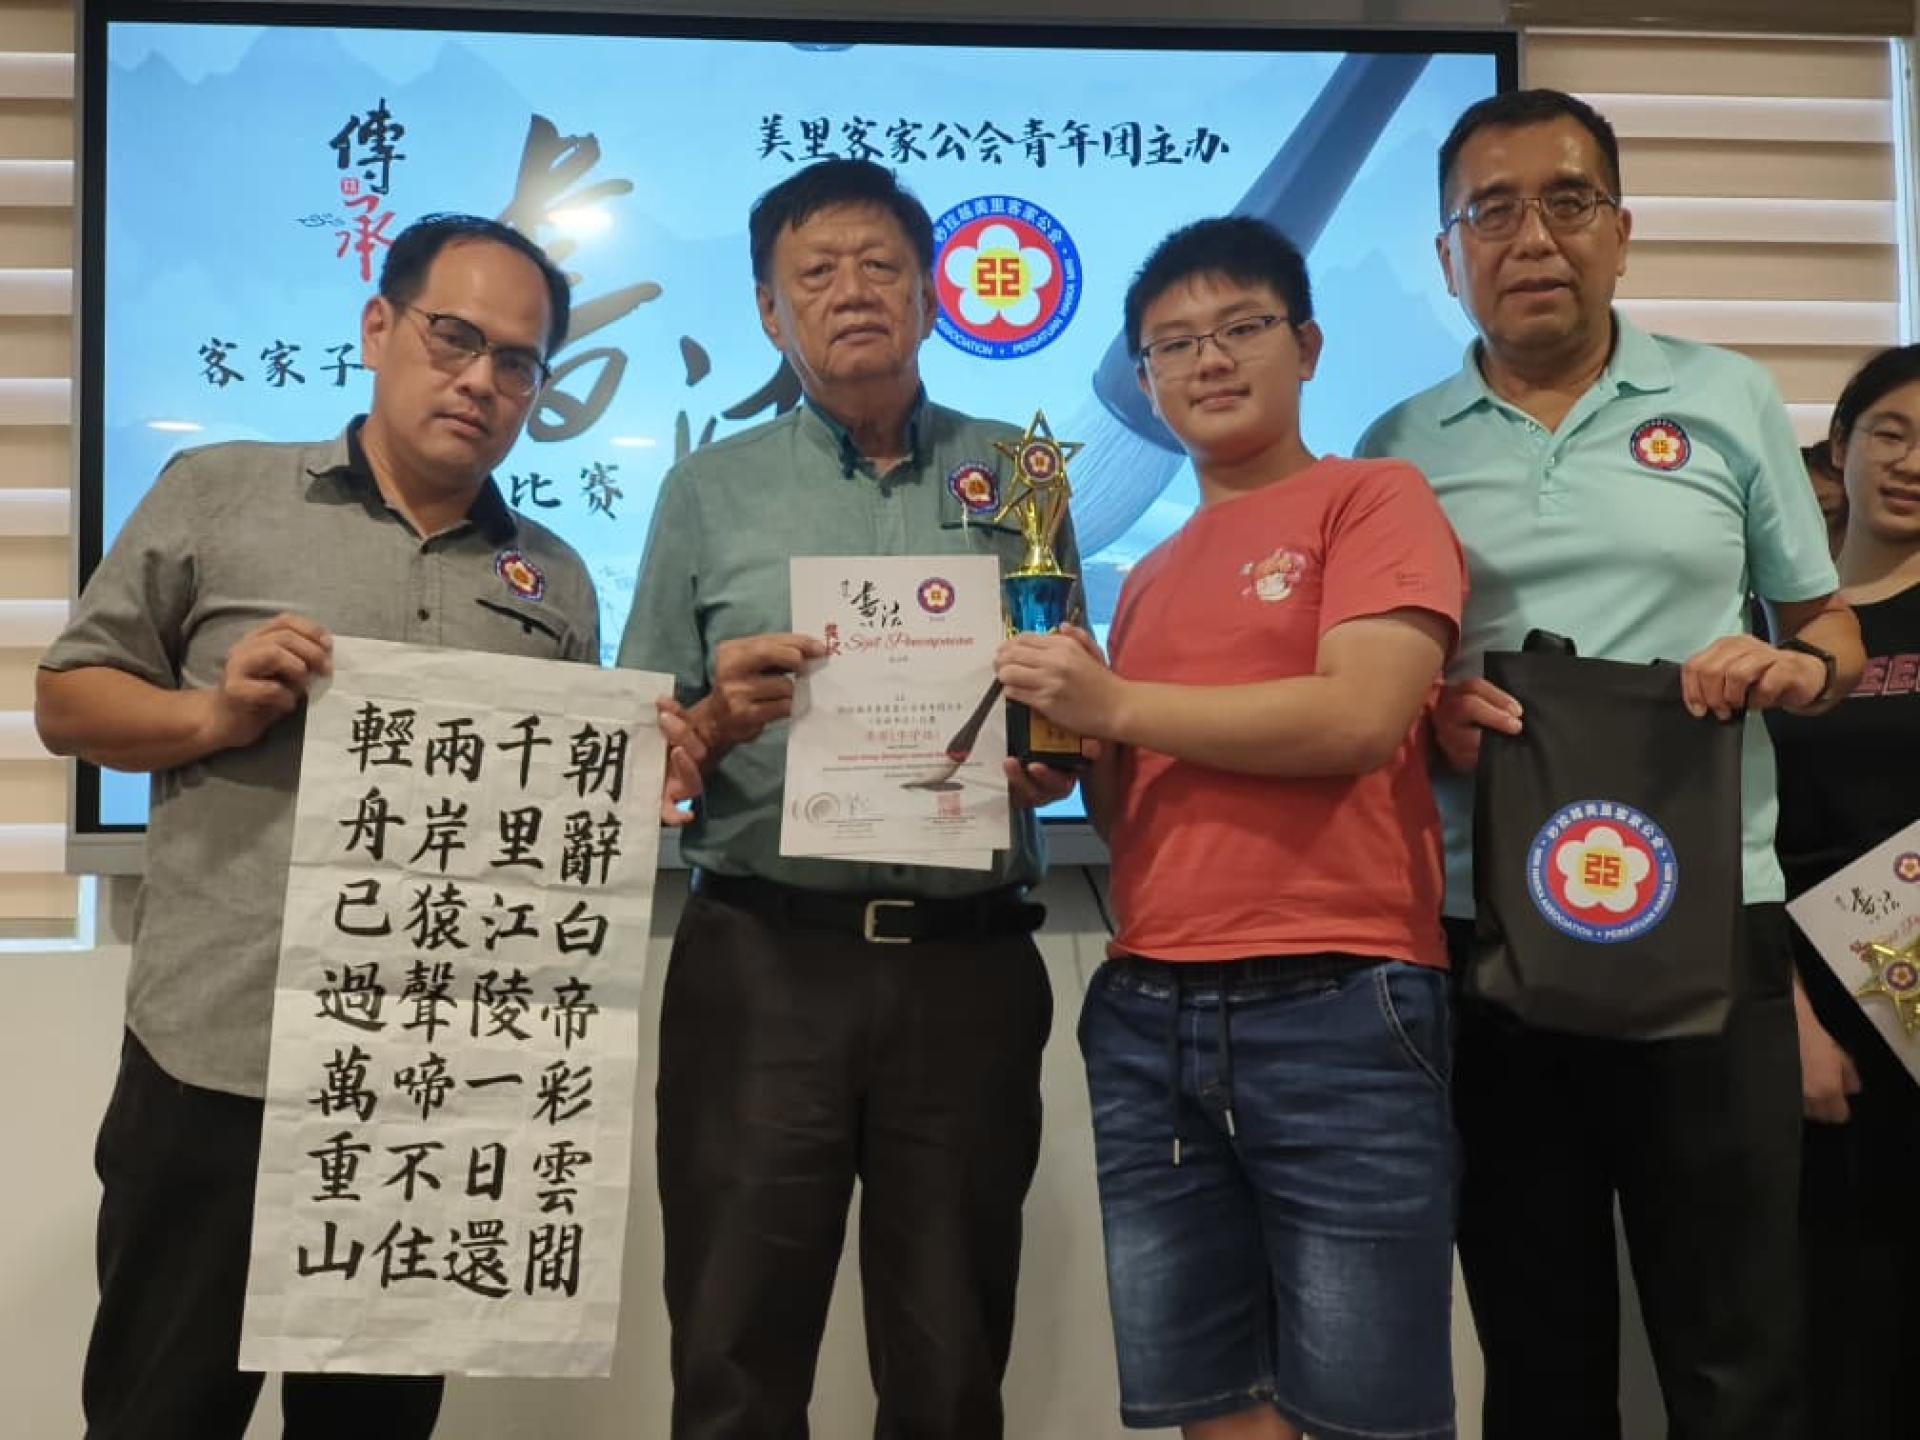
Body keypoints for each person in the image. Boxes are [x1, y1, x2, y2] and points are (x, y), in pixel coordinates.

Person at [36, 212, 701, 1440]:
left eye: (518, 361)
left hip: (424, 1088)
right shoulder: (220, 492)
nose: (481, 380)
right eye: (455, 338)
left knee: (374, 1431)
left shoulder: (553, 577)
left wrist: (645, 773)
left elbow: (548, 833)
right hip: (215, 1060)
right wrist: (211, 715)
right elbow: (67, 702)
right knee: (156, 1413)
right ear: (379, 327)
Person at [1356, 89, 1864, 1440]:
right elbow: (1370, 692)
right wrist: (1430, 718)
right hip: (1492, 938)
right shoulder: (1393, 449)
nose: (1533, 238)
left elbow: (1828, 628)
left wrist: (1794, 672)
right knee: (1539, 1353)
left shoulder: (1725, 396)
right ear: (1448, 252)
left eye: (1568, 201)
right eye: (1492, 211)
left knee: (1738, 1347)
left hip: (1713, 931)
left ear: (1621, 232)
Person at [616, 157, 1078, 1440]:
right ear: (771, 312)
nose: (853, 291)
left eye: (881, 264)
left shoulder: (1024, 474)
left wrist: (1058, 759)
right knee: (735, 1354)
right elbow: (644, 749)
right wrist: (714, 719)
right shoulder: (707, 489)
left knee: (951, 1365)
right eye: (814, 272)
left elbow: (1063, 697)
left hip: (967, 969)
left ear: (931, 292)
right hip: (763, 963)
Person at [997, 216, 1465, 1440]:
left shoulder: (1373, 499)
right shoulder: (1146, 575)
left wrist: (1115, 706)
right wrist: (1065, 751)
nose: (1207, 360)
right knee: (1212, 1404)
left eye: (1240, 328)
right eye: (1172, 344)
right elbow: (1134, 810)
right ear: (1144, 381)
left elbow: (1359, 718)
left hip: (1340, 999)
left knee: (1367, 1411)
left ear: (1306, 346)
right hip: (1150, 1008)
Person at [1767, 345, 1920, 1437]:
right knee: (1838, 1322)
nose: (1912, 463)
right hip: (1812, 1023)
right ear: (1839, 447)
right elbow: (1727, 840)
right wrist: (1791, 1017)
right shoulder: (1771, 623)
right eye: (1892, 433)